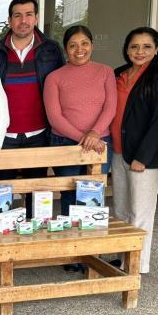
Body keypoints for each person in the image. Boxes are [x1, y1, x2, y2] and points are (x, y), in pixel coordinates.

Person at [0, 0, 64, 216]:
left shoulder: (51, 50)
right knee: (0, 195)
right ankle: (1, 243)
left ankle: (33, 243)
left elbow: (62, 86)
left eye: (29, 14)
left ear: (36, 18)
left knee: (37, 197)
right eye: (17, 15)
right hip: (3, 137)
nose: (23, 20)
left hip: (39, 134)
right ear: (9, 20)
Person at [110, 27, 158, 274]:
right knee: (121, 210)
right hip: (118, 152)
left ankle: (137, 264)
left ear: (157, 49)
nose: (140, 51)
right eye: (134, 46)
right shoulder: (118, 74)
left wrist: (142, 157)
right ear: (126, 49)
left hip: (143, 159)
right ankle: (123, 257)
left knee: (140, 213)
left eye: (147, 46)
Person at [44, 25, 116, 217]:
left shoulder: (106, 71)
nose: (79, 49)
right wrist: (85, 138)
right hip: (65, 142)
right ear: (66, 48)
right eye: (73, 45)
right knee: (70, 194)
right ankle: (71, 243)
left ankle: (91, 244)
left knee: (93, 194)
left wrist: (95, 133)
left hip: (100, 141)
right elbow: (54, 117)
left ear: (92, 45)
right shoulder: (54, 77)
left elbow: (110, 107)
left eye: (84, 43)